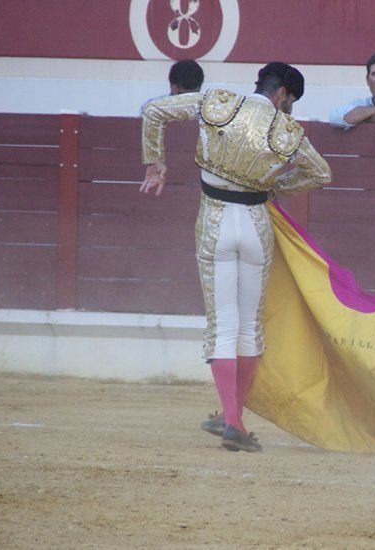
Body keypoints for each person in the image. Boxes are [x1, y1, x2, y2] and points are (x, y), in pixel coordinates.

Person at [140, 62, 332, 452]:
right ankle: (233, 418)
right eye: (289, 102)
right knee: (249, 327)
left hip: (215, 223)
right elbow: (321, 173)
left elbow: (154, 111)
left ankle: (232, 420)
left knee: (223, 326)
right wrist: (276, 187)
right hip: (256, 225)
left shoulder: (217, 101)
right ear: (282, 95)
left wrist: (155, 163)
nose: (287, 110)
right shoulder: (288, 132)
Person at [139, 59, 204, 114]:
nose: (186, 101)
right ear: (173, 87)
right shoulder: (153, 109)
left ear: (199, 89)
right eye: (181, 95)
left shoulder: (208, 112)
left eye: (192, 96)